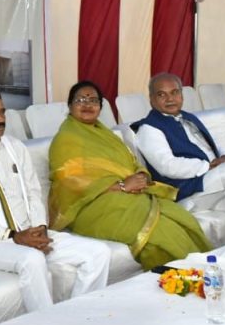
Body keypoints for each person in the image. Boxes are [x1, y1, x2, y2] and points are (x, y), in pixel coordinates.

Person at [0, 85, 111, 312]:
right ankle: (46, 324)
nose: (1, 119)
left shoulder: (15, 147)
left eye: (2, 112)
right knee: (32, 259)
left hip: (30, 233)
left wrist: (40, 228)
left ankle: (78, 316)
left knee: (99, 253)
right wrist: (12, 236)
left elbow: (33, 192)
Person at [48, 81, 211, 271]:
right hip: (92, 206)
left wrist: (141, 176)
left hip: (129, 196)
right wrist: (123, 186)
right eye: (81, 100)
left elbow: (131, 162)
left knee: (182, 219)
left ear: (100, 106)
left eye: (93, 100)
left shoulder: (104, 133)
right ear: (70, 105)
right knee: (160, 232)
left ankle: (204, 272)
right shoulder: (66, 139)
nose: (87, 105)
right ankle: (180, 278)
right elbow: (69, 184)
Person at [133, 73, 225, 234]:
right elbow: (167, 166)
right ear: (151, 99)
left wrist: (224, 157)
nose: (170, 99)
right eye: (161, 95)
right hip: (183, 193)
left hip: (210, 189)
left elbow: (213, 146)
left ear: (181, 95)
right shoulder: (149, 128)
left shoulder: (188, 118)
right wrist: (208, 166)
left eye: (174, 92)